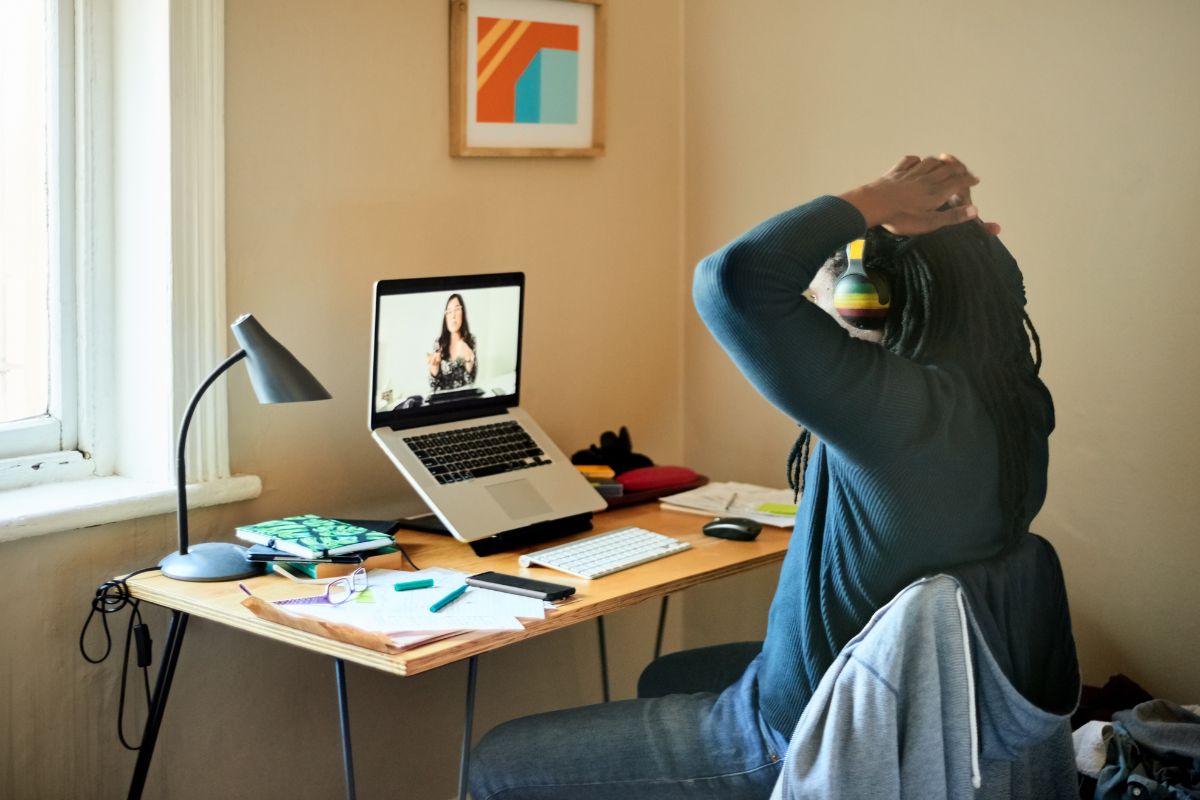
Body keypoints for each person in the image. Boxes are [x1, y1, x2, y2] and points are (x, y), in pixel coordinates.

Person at [467, 154, 1054, 800]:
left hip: (796, 736)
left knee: (496, 762)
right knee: (669, 672)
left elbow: (733, 281)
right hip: (903, 713)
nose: (821, 301)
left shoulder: (897, 413)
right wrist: (954, 247)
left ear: (871, 301)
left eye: (838, 287)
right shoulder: (1014, 405)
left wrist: (881, 197)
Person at [428, 292, 477, 391]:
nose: (453, 315)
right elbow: (434, 387)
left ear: (463, 313)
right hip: (444, 402)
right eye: (449, 312)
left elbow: (471, 382)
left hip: (465, 400)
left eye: (457, 309)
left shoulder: (470, 340)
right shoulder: (439, 343)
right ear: (445, 317)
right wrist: (434, 368)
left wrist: (468, 359)